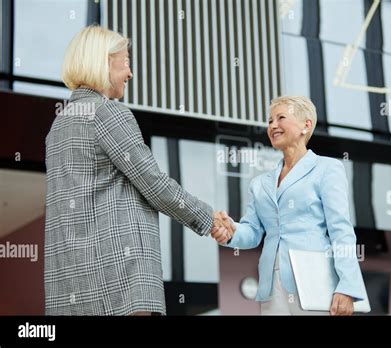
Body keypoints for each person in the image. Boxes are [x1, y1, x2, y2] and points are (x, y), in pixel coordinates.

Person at [44, 26, 233, 316]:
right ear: (105, 61)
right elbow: (154, 184)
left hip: (70, 282)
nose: (130, 74)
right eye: (127, 62)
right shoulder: (108, 113)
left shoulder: (57, 128)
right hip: (121, 280)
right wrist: (207, 218)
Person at [212, 96, 367, 315]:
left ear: (306, 125)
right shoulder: (259, 184)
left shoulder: (327, 169)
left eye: (281, 118)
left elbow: (341, 230)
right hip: (271, 285)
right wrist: (230, 231)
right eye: (269, 121)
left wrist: (348, 286)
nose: (273, 125)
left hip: (316, 281)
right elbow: (253, 232)